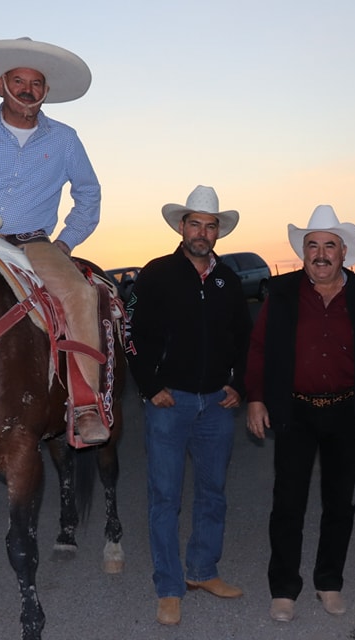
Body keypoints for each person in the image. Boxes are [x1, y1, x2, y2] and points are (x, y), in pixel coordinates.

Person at [0, 37, 111, 445]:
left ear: (46, 91)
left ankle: (84, 404)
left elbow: (88, 192)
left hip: (32, 242)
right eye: (18, 80)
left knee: (80, 294)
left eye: (36, 83)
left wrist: (67, 241)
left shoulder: (65, 139)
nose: (27, 89)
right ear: (1, 84)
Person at [245, 205, 355, 623]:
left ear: (344, 252)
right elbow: (258, 348)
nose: (321, 253)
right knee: (287, 502)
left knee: (339, 504)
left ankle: (329, 583)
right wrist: (255, 398)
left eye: (329, 245)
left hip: (346, 411)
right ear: (303, 252)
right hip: (295, 411)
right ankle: (284, 590)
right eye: (313, 246)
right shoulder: (282, 291)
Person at [126, 185, 252, 626]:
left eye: (210, 225)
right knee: (165, 497)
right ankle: (169, 586)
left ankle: (202, 571)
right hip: (169, 402)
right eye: (194, 223)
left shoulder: (228, 280)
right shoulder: (156, 273)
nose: (202, 231)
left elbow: (244, 339)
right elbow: (133, 335)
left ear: (219, 232)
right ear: (181, 227)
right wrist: (149, 386)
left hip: (216, 403)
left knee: (212, 493)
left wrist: (240, 384)